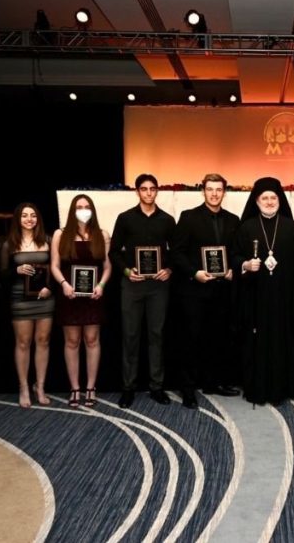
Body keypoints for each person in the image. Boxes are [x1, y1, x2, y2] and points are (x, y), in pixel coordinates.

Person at [170, 173, 241, 409]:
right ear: (203, 191)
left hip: (221, 291)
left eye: (218, 189)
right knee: (191, 340)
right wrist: (194, 273)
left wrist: (232, 269)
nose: (214, 194)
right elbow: (177, 253)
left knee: (217, 339)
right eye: (210, 189)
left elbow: (235, 253)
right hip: (194, 291)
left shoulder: (233, 220)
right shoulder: (188, 217)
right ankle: (188, 389)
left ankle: (213, 382)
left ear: (224, 192)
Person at [231, 177, 294, 405]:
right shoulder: (246, 227)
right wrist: (245, 264)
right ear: (256, 201)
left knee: (283, 342)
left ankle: (282, 388)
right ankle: (257, 388)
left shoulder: (292, 228)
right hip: (256, 297)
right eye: (265, 198)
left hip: (284, 298)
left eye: (273, 198)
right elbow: (234, 256)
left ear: (280, 200)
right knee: (257, 342)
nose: (270, 202)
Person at [110, 174, 176, 409]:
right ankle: (128, 388)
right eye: (144, 189)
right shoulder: (125, 218)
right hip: (132, 285)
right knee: (130, 336)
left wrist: (169, 269)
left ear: (157, 191)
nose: (148, 193)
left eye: (152, 189)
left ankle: (156, 387)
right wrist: (127, 271)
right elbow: (114, 252)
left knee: (157, 335)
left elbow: (176, 252)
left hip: (158, 286)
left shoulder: (167, 220)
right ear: (137, 191)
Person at [51, 194, 112, 408]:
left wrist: (101, 285)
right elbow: (54, 266)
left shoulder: (102, 234)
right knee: (72, 341)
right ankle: (75, 388)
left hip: (93, 295)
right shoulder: (60, 234)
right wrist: (64, 284)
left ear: (92, 210)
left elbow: (107, 267)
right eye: (79, 207)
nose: (83, 210)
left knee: (92, 340)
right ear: (72, 210)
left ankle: (91, 387)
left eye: (87, 206)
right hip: (69, 295)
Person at [0, 202, 55, 408]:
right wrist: (16, 270)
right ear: (18, 219)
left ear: (38, 218)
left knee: (43, 341)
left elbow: (56, 268)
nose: (29, 219)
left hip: (45, 298)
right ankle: (23, 387)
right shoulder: (9, 244)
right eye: (24, 215)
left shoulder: (48, 240)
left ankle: (39, 386)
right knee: (23, 342)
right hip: (20, 299)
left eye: (33, 215)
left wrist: (50, 287)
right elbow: (1, 274)